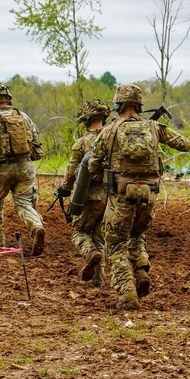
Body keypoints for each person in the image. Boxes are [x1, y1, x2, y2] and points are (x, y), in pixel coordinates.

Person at [87, 84, 190, 310]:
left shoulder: (109, 131)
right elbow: (185, 144)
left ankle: (127, 295)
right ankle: (141, 270)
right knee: (137, 233)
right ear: (139, 104)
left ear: (118, 105)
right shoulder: (154, 127)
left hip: (121, 196)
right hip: (148, 196)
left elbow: (93, 164)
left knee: (114, 245)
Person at [0, 82, 45, 255]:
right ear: (8, 98)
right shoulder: (24, 116)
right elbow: (35, 138)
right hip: (26, 167)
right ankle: (36, 227)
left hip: (2, 170)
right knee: (24, 204)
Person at [56, 98, 110, 287]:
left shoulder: (81, 143)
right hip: (110, 198)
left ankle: (90, 254)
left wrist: (64, 189)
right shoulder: (113, 138)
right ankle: (98, 280)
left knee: (79, 232)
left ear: (85, 120)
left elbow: (71, 173)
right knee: (99, 237)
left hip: (88, 198)